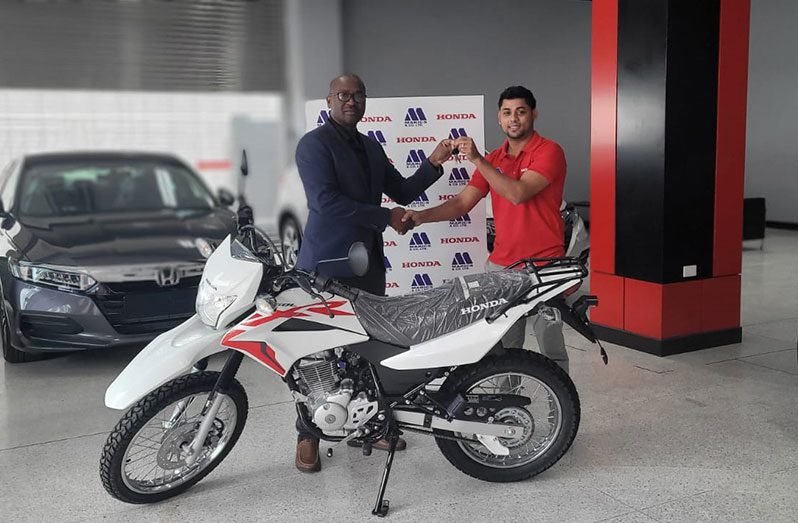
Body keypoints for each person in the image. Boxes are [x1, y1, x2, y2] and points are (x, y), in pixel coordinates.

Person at [293, 73, 455, 473]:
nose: (351, 101)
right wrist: (387, 217)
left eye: (358, 95)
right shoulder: (313, 145)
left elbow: (401, 191)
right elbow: (325, 202)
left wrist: (433, 162)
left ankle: (368, 426)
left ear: (365, 102)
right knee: (317, 355)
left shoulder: (371, 146)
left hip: (367, 265)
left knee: (369, 350)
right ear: (328, 100)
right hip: (325, 267)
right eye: (344, 95)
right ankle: (308, 434)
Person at [402, 85, 569, 373]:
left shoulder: (549, 151)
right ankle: (507, 414)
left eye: (520, 112)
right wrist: (420, 217)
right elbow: (462, 203)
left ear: (534, 114)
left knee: (550, 347)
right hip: (502, 268)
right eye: (507, 113)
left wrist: (478, 159)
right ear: (498, 118)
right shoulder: (494, 160)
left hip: (545, 267)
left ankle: (562, 408)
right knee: (502, 351)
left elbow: (518, 193)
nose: (513, 119)